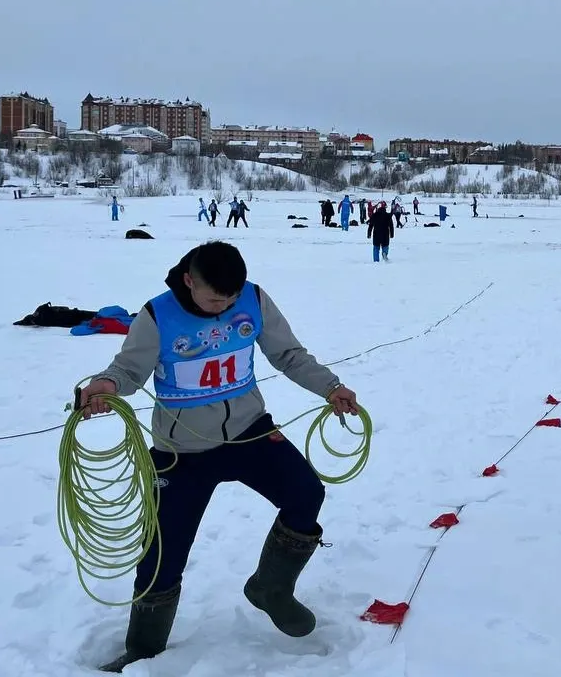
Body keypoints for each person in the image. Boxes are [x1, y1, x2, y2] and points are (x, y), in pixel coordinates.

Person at [76, 241, 360, 672]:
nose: (223, 306)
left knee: (306, 493)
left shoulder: (254, 298)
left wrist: (330, 386)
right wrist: (105, 387)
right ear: (189, 281)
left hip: (249, 431)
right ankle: (144, 648)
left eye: (230, 298)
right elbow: (127, 370)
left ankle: (271, 588)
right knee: (162, 554)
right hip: (182, 451)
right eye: (213, 298)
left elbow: (287, 354)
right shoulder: (158, 315)